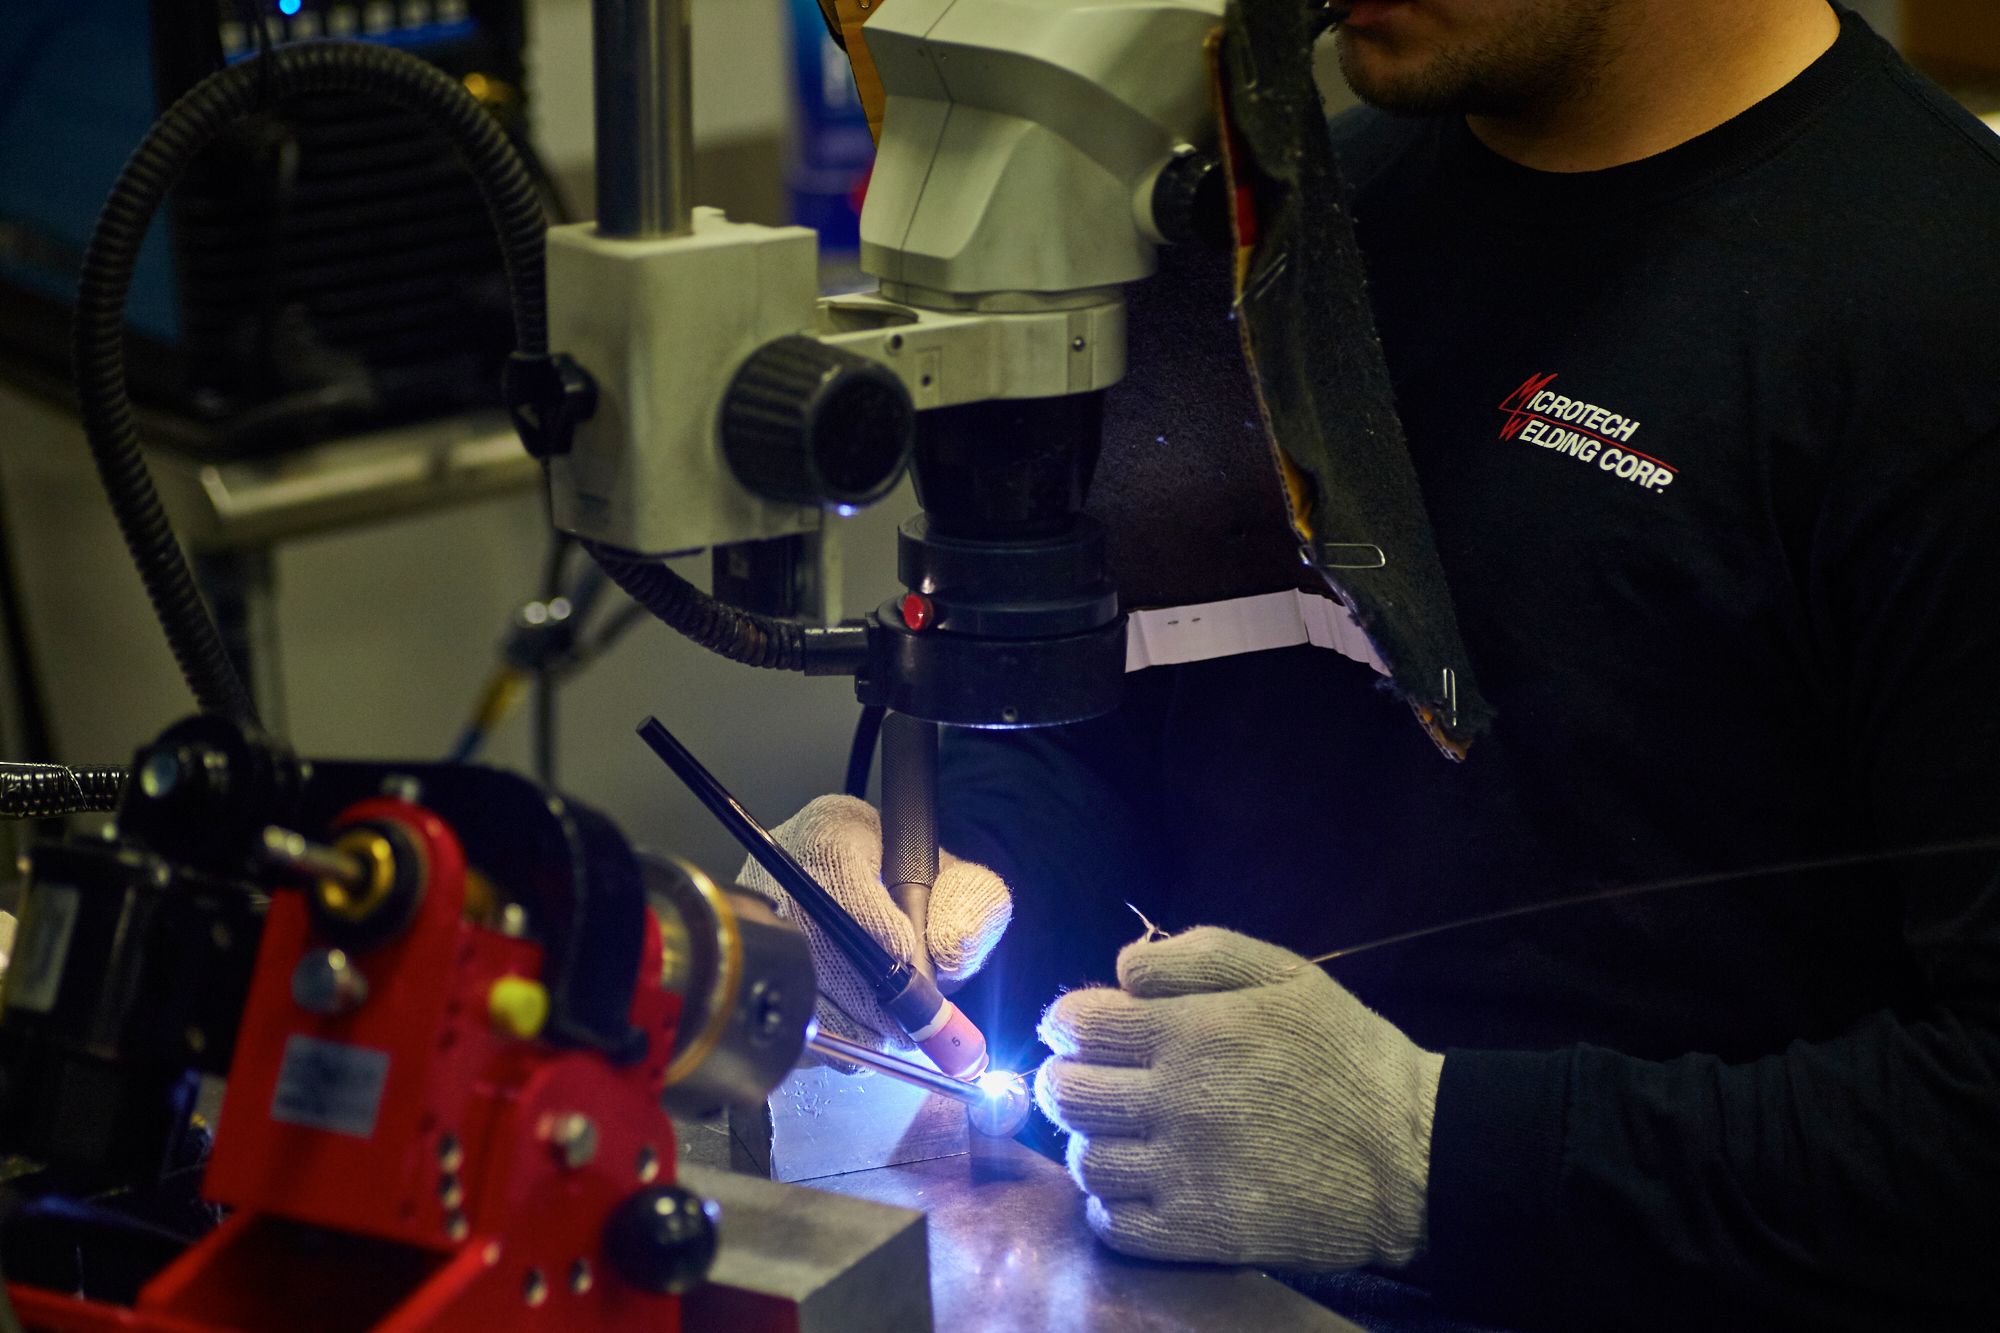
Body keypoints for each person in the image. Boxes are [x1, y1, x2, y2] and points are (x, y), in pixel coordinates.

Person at [738, 1, 2000, 1327]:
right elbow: (1131, 726)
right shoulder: (1297, 243)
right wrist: (949, 893)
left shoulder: (1942, 310)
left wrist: (1434, 1157)